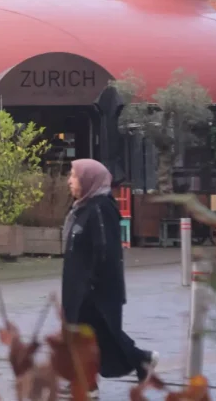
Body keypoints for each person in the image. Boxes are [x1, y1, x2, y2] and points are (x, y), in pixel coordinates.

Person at [62, 158, 158, 391]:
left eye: (74, 176)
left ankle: (138, 360)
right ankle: (91, 380)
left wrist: (92, 284)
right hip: (79, 286)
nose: (69, 181)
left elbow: (105, 251)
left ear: (88, 180)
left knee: (99, 335)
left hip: (94, 288)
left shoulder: (100, 208)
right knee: (91, 336)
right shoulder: (83, 207)